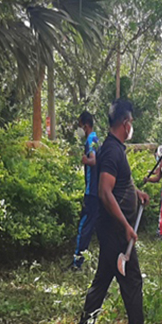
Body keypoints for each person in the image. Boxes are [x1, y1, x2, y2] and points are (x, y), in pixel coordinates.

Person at [73, 99, 162, 324]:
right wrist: (126, 225)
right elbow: (104, 192)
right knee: (132, 280)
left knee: (103, 279)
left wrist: (136, 192)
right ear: (125, 123)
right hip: (115, 228)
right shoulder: (113, 151)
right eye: (131, 122)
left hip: (110, 227)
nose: (131, 126)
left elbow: (116, 184)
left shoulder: (111, 148)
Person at [72, 111, 99, 270]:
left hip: (91, 192)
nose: (79, 129)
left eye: (80, 125)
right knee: (93, 226)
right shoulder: (96, 138)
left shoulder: (90, 139)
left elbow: (93, 160)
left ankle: (77, 261)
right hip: (97, 191)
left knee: (84, 226)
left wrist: (85, 160)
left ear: (85, 125)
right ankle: (82, 259)